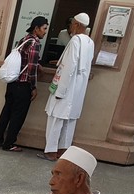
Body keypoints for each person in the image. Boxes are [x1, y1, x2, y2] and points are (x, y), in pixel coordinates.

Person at [40, 13, 94, 161]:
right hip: (78, 90)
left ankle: (50, 152)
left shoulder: (75, 40)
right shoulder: (90, 42)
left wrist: (60, 91)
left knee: (55, 119)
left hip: (66, 88)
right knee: (69, 122)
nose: (70, 26)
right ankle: (62, 152)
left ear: (76, 24)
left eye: (72, 24)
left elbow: (69, 67)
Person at [0, 16, 48, 152]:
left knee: (7, 111)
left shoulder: (24, 40)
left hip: (12, 82)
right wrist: (33, 87)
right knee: (18, 115)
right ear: (36, 28)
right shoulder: (35, 43)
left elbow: (24, 60)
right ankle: (9, 143)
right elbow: (31, 68)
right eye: (44, 28)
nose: (45, 32)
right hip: (23, 85)